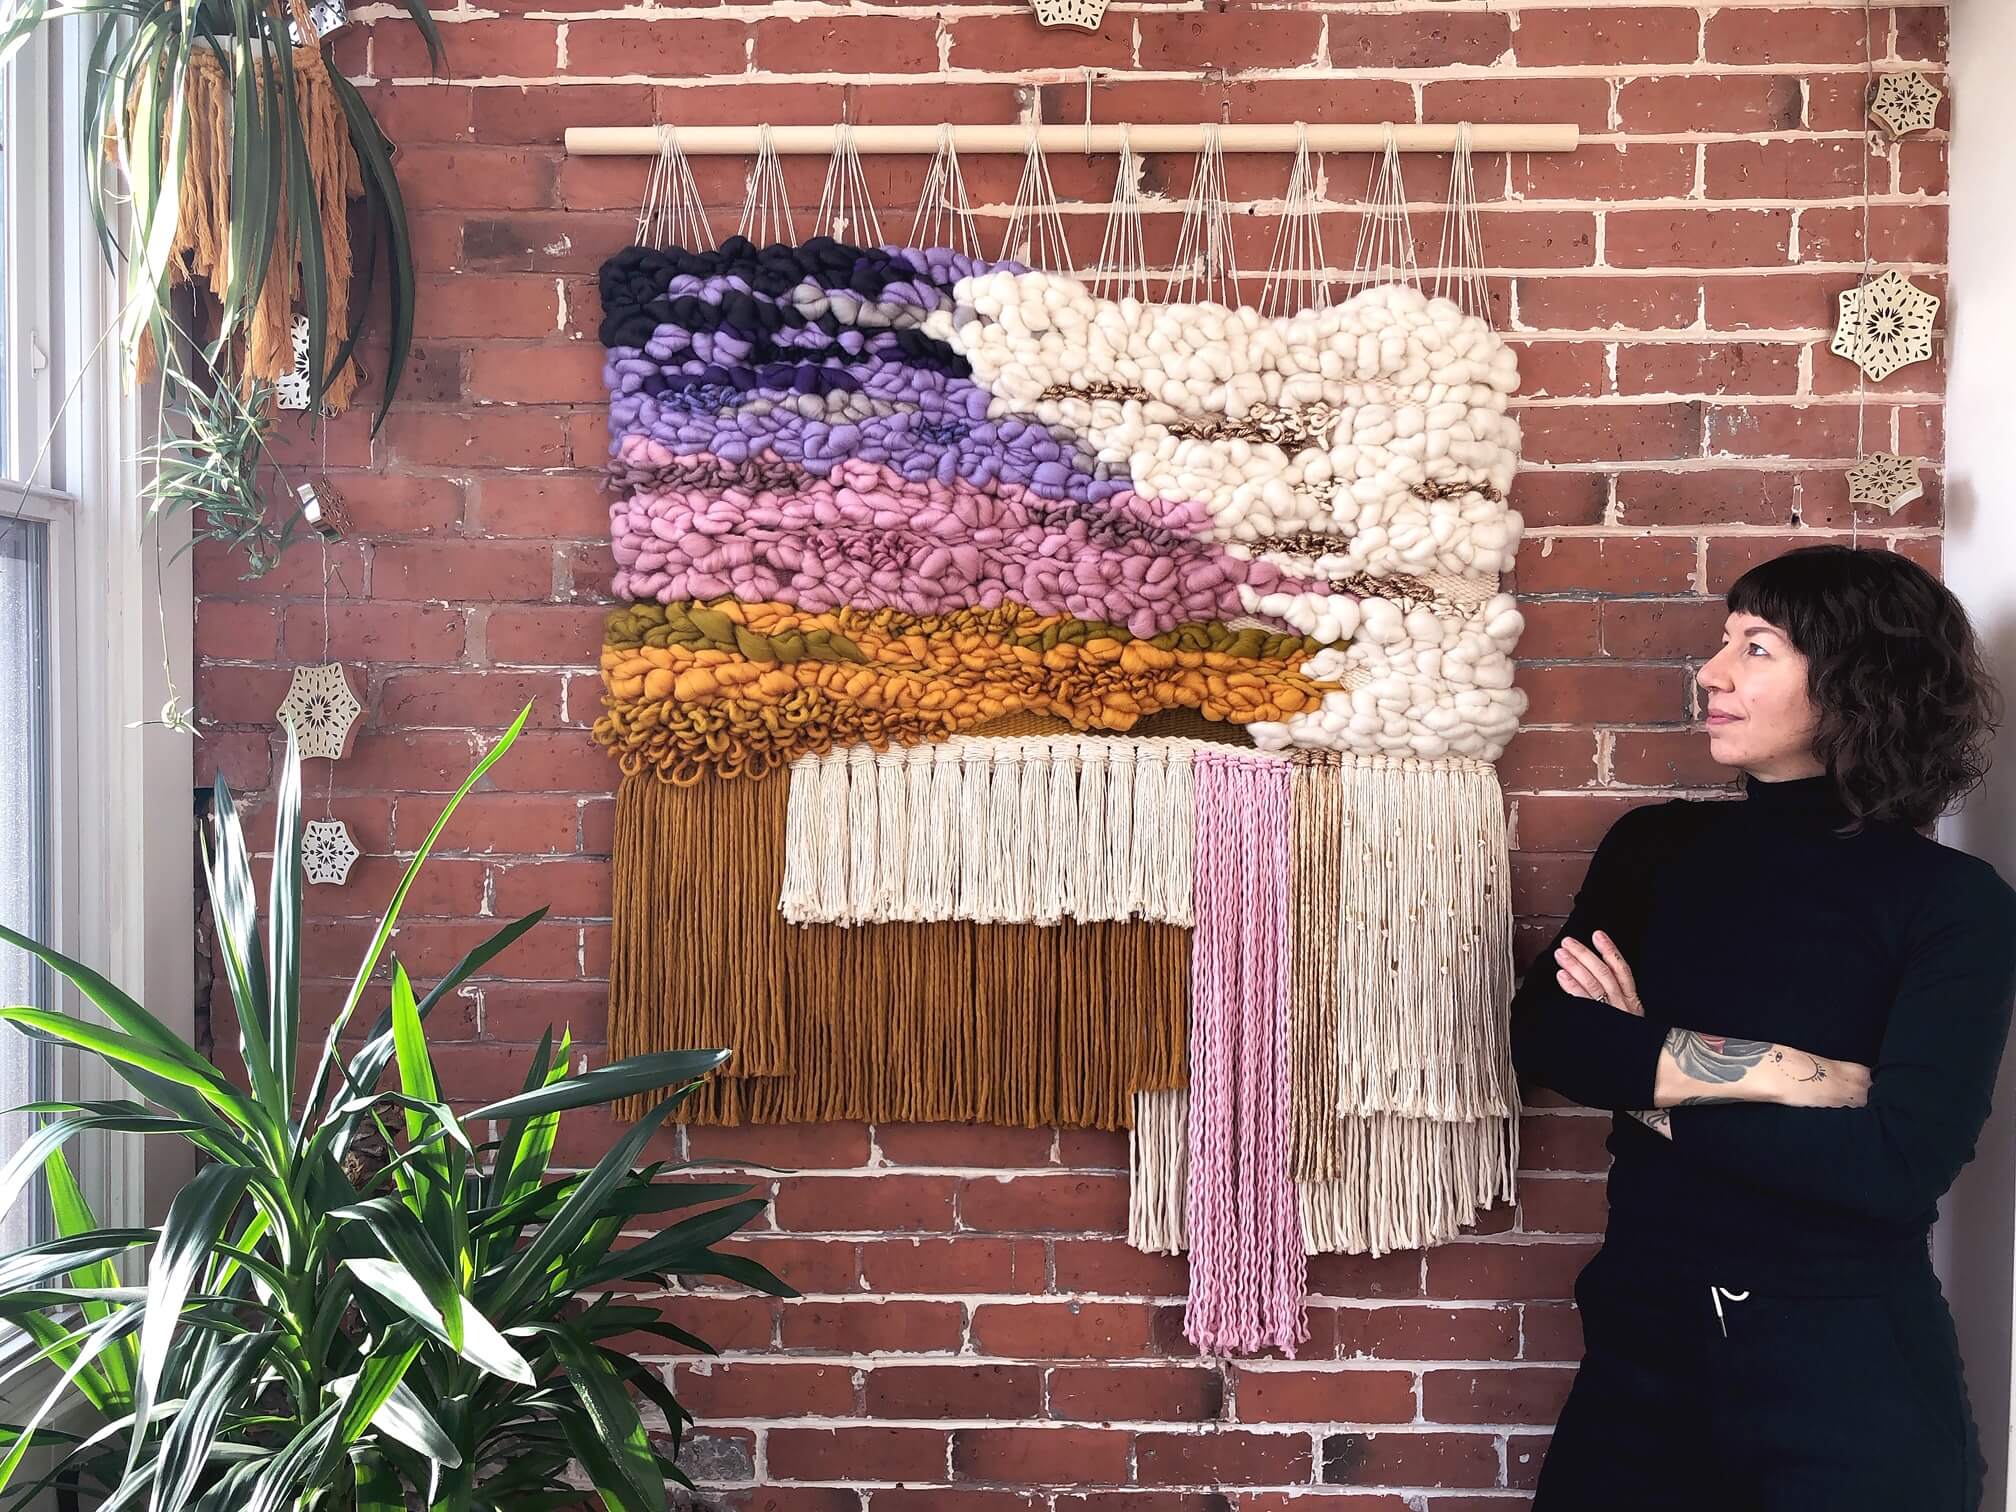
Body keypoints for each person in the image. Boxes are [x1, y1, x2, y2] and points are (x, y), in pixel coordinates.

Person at [1510, 544, 2016, 1511]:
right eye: (1722, 643)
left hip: (1849, 1397)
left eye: (1757, 647)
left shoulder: (1954, 905)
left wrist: (1649, 1073)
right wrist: (1782, 1071)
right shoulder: (1655, 851)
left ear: (1857, 682)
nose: (1711, 671)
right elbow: (1549, 1039)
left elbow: (1893, 1164)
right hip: (1638, 1377)